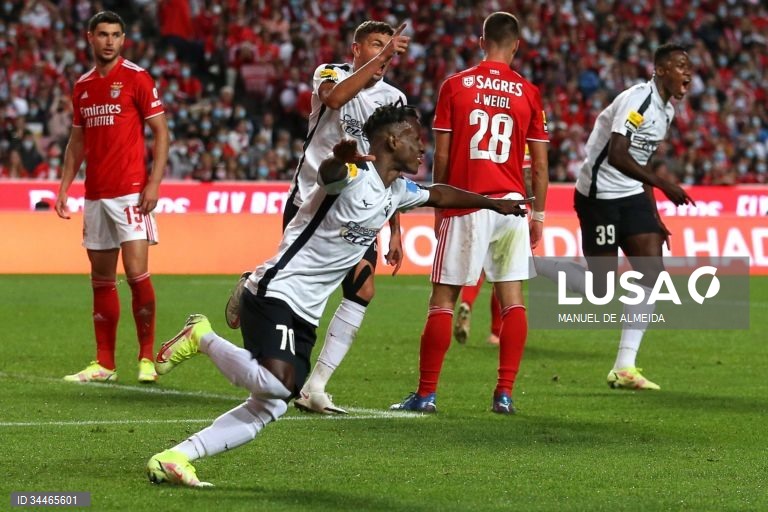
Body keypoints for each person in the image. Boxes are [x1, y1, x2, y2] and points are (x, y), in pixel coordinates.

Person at [146, 104, 531, 487]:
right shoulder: (352, 173)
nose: (422, 148)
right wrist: (336, 157)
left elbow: (440, 196)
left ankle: (177, 456)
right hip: (277, 290)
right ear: (392, 140)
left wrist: (493, 202)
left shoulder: (396, 191)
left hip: (307, 312)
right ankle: (201, 336)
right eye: (415, 138)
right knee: (278, 384)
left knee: (272, 405)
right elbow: (330, 174)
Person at [224, 21, 410, 415]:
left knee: (362, 289)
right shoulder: (331, 73)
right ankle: (255, 284)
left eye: (388, 47)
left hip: (361, 204)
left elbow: (394, 165)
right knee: (304, 289)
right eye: (375, 45)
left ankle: (316, 387)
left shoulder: (395, 98)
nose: (383, 54)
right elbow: (336, 99)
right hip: (312, 199)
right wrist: (381, 55)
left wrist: (396, 228)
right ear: (356, 48)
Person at [391, 12, 549, 415]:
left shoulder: (455, 86)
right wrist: (540, 216)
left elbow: (441, 154)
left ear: (482, 41)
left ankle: (426, 395)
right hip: (512, 205)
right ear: (516, 45)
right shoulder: (529, 92)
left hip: (465, 200)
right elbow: (541, 166)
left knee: (443, 298)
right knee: (513, 300)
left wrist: (438, 202)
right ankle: (505, 394)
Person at [535, 43, 694, 390]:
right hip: (599, 197)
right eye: (681, 66)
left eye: (690, 67)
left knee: (653, 273)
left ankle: (625, 367)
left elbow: (643, 161)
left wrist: (655, 216)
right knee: (600, 289)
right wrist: (665, 184)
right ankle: (531, 265)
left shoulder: (666, 111)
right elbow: (619, 155)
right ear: (662, 70)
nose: (689, 73)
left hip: (632, 195)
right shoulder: (639, 100)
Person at [55, 11, 170, 384]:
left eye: (116, 35)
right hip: (96, 196)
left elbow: (161, 133)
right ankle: (104, 364)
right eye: (103, 34)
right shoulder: (83, 86)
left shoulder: (137, 78)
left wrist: (153, 183)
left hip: (131, 194)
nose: (109, 41)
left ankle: (146, 357)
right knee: (101, 280)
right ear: (90, 37)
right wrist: (63, 187)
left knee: (137, 274)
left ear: (123, 39)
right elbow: (77, 142)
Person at [454, 146, 533, 346]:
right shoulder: (522, 136)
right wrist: (538, 209)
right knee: (505, 277)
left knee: (479, 268)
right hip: (513, 205)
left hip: (481, 202)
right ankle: (496, 333)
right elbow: (530, 174)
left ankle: (467, 303)